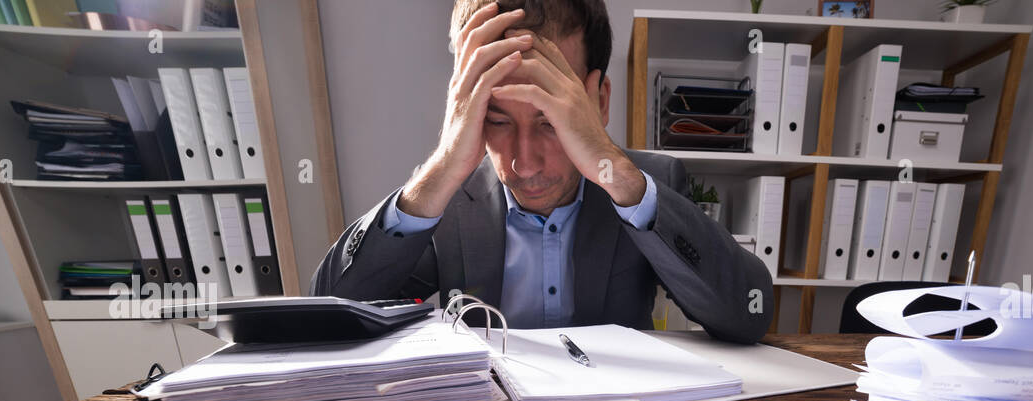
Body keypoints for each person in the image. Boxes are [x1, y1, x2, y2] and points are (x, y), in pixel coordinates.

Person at [309, 0, 773, 344]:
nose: (523, 164)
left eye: (552, 121)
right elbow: (328, 315)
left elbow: (748, 315)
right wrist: (441, 170)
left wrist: (623, 183)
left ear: (600, 101)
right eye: (496, 120)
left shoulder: (649, 184)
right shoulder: (444, 199)